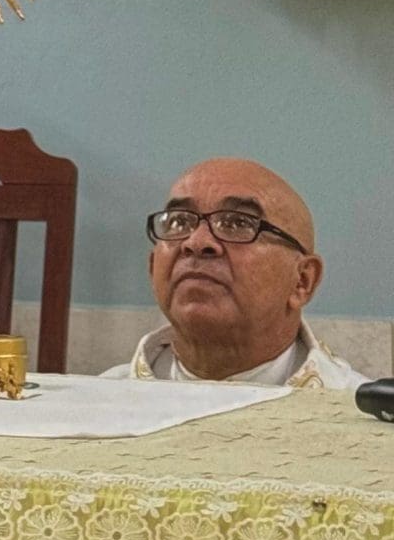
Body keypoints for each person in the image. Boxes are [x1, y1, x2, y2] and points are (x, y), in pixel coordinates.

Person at [111, 157, 364, 389]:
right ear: (152, 266)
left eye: (238, 223)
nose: (196, 242)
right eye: (179, 222)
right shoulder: (97, 404)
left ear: (302, 281)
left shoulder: (360, 414)